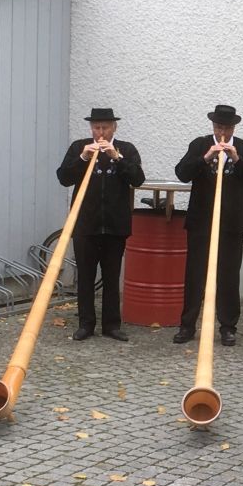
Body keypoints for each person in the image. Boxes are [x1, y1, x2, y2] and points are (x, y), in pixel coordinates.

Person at [173, 105, 243, 346]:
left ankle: (228, 326)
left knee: (229, 276)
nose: (222, 131)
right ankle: (187, 325)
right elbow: (182, 173)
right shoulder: (199, 144)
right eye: (219, 126)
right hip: (201, 221)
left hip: (231, 223)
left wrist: (236, 158)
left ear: (233, 127)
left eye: (227, 127)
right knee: (195, 274)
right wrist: (205, 157)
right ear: (213, 126)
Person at [57, 108, 145, 342]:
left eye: (105, 127)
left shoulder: (126, 149)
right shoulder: (79, 147)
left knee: (111, 274)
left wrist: (117, 157)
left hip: (115, 225)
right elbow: (64, 177)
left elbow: (138, 179)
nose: (101, 132)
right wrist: (83, 158)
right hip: (86, 224)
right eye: (96, 127)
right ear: (91, 128)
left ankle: (112, 325)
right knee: (85, 276)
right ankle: (86, 324)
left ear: (114, 127)